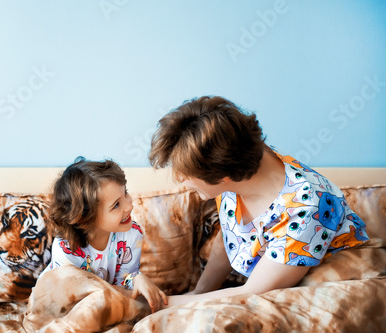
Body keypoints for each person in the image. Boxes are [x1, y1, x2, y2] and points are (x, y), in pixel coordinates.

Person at [148, 96, 369, 306]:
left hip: (332, 282)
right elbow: (227, 238)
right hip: (269, 278)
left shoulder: (306, 208)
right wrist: (198, 292)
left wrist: (157, 304)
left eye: (185, 174)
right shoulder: (239, 164)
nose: (181, 181)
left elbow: (251, 293)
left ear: (222, 175)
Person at [39, 157, 168, 312]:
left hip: (103, 304)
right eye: (116, 205)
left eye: (125, 193)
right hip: (58, 307)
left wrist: (136, 279)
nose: (129, 205)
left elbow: (123, 279)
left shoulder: (132, 234)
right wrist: (119, 292)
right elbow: (73, 300)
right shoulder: (65, 250)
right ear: (84, 221)